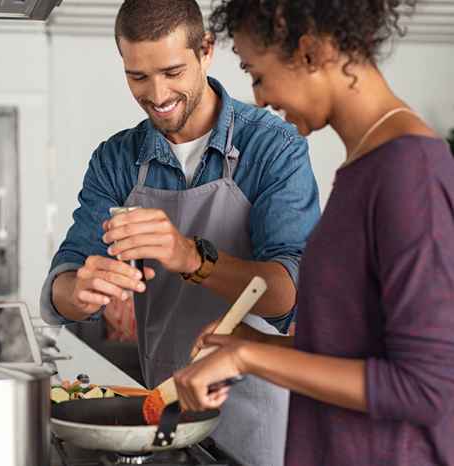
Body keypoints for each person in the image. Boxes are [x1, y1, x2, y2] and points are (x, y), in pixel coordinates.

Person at [40, 0, 321, 464]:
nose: (157, 93)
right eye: (138, 77)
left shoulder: (273, 147)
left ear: (206, 50)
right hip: (168, 417)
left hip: (262, 424)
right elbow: (59, 288)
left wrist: (191, 257)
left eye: (172, 71)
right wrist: (81, 289)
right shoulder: (116, 160)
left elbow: (289, 293)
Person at [174, 1, 454, 465]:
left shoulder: (410, 173)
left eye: (257, 74)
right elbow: (356, 351)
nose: (258, 98)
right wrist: (257, 343)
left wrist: (248, 360)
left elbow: (426, 387)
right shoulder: (366, 167)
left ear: (309, 52)